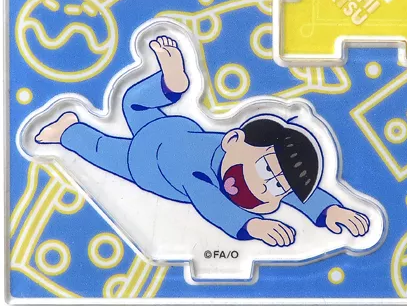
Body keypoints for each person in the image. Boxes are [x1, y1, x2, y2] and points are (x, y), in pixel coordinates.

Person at [36, 35, 369, 247]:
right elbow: (214, 207)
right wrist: (252, 226)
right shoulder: (201, 179)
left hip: (164, 139)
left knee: (125, 111)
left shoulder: (234, 157)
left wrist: (329, 211)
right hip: (146, 155)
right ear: (233, 139)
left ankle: (72, 126)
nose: (266, 186)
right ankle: (166, 87)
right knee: (110, 134)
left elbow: (297, 191)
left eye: (278, 187)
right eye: (265, 169)